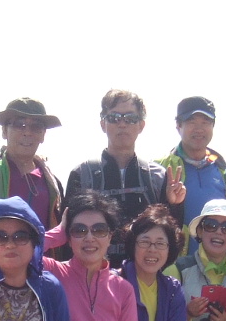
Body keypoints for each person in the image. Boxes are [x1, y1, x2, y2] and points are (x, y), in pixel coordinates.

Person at [63, 90, 185, 263]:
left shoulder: (157, 177)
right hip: (93, 272)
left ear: (141, 125)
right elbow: (67, 235)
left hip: (143, 272)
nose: (122, 124)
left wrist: (175, 205)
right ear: (103, 124)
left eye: (130, 118)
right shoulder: (82, 174)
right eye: (114, 118)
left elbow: (171, 238)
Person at [41, 192, 137, 321]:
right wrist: (56, 234)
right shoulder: (52, 272)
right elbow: (22, 254)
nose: (89, 238)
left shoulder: (123, 289)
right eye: (79, 230)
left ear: (110, 237)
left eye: (99, 230)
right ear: (69, 238)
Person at [119, 205, 187, 321]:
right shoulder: (115, 282)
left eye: (160, 243)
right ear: (133, 244)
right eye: (145, 242)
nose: (152, 249)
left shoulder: (173, 289)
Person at [0, 97, 65, 231]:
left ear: (43, 134)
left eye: (36, 127)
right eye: (19, 124)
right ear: (4, 131)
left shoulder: (53, 185)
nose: (27, 132)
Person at [160, 96, 226, 225]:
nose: (199, 129)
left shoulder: (225, 172)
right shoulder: (160, 168)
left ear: (213, 126)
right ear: (178, 126)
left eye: (205, 122)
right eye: (191, 122)